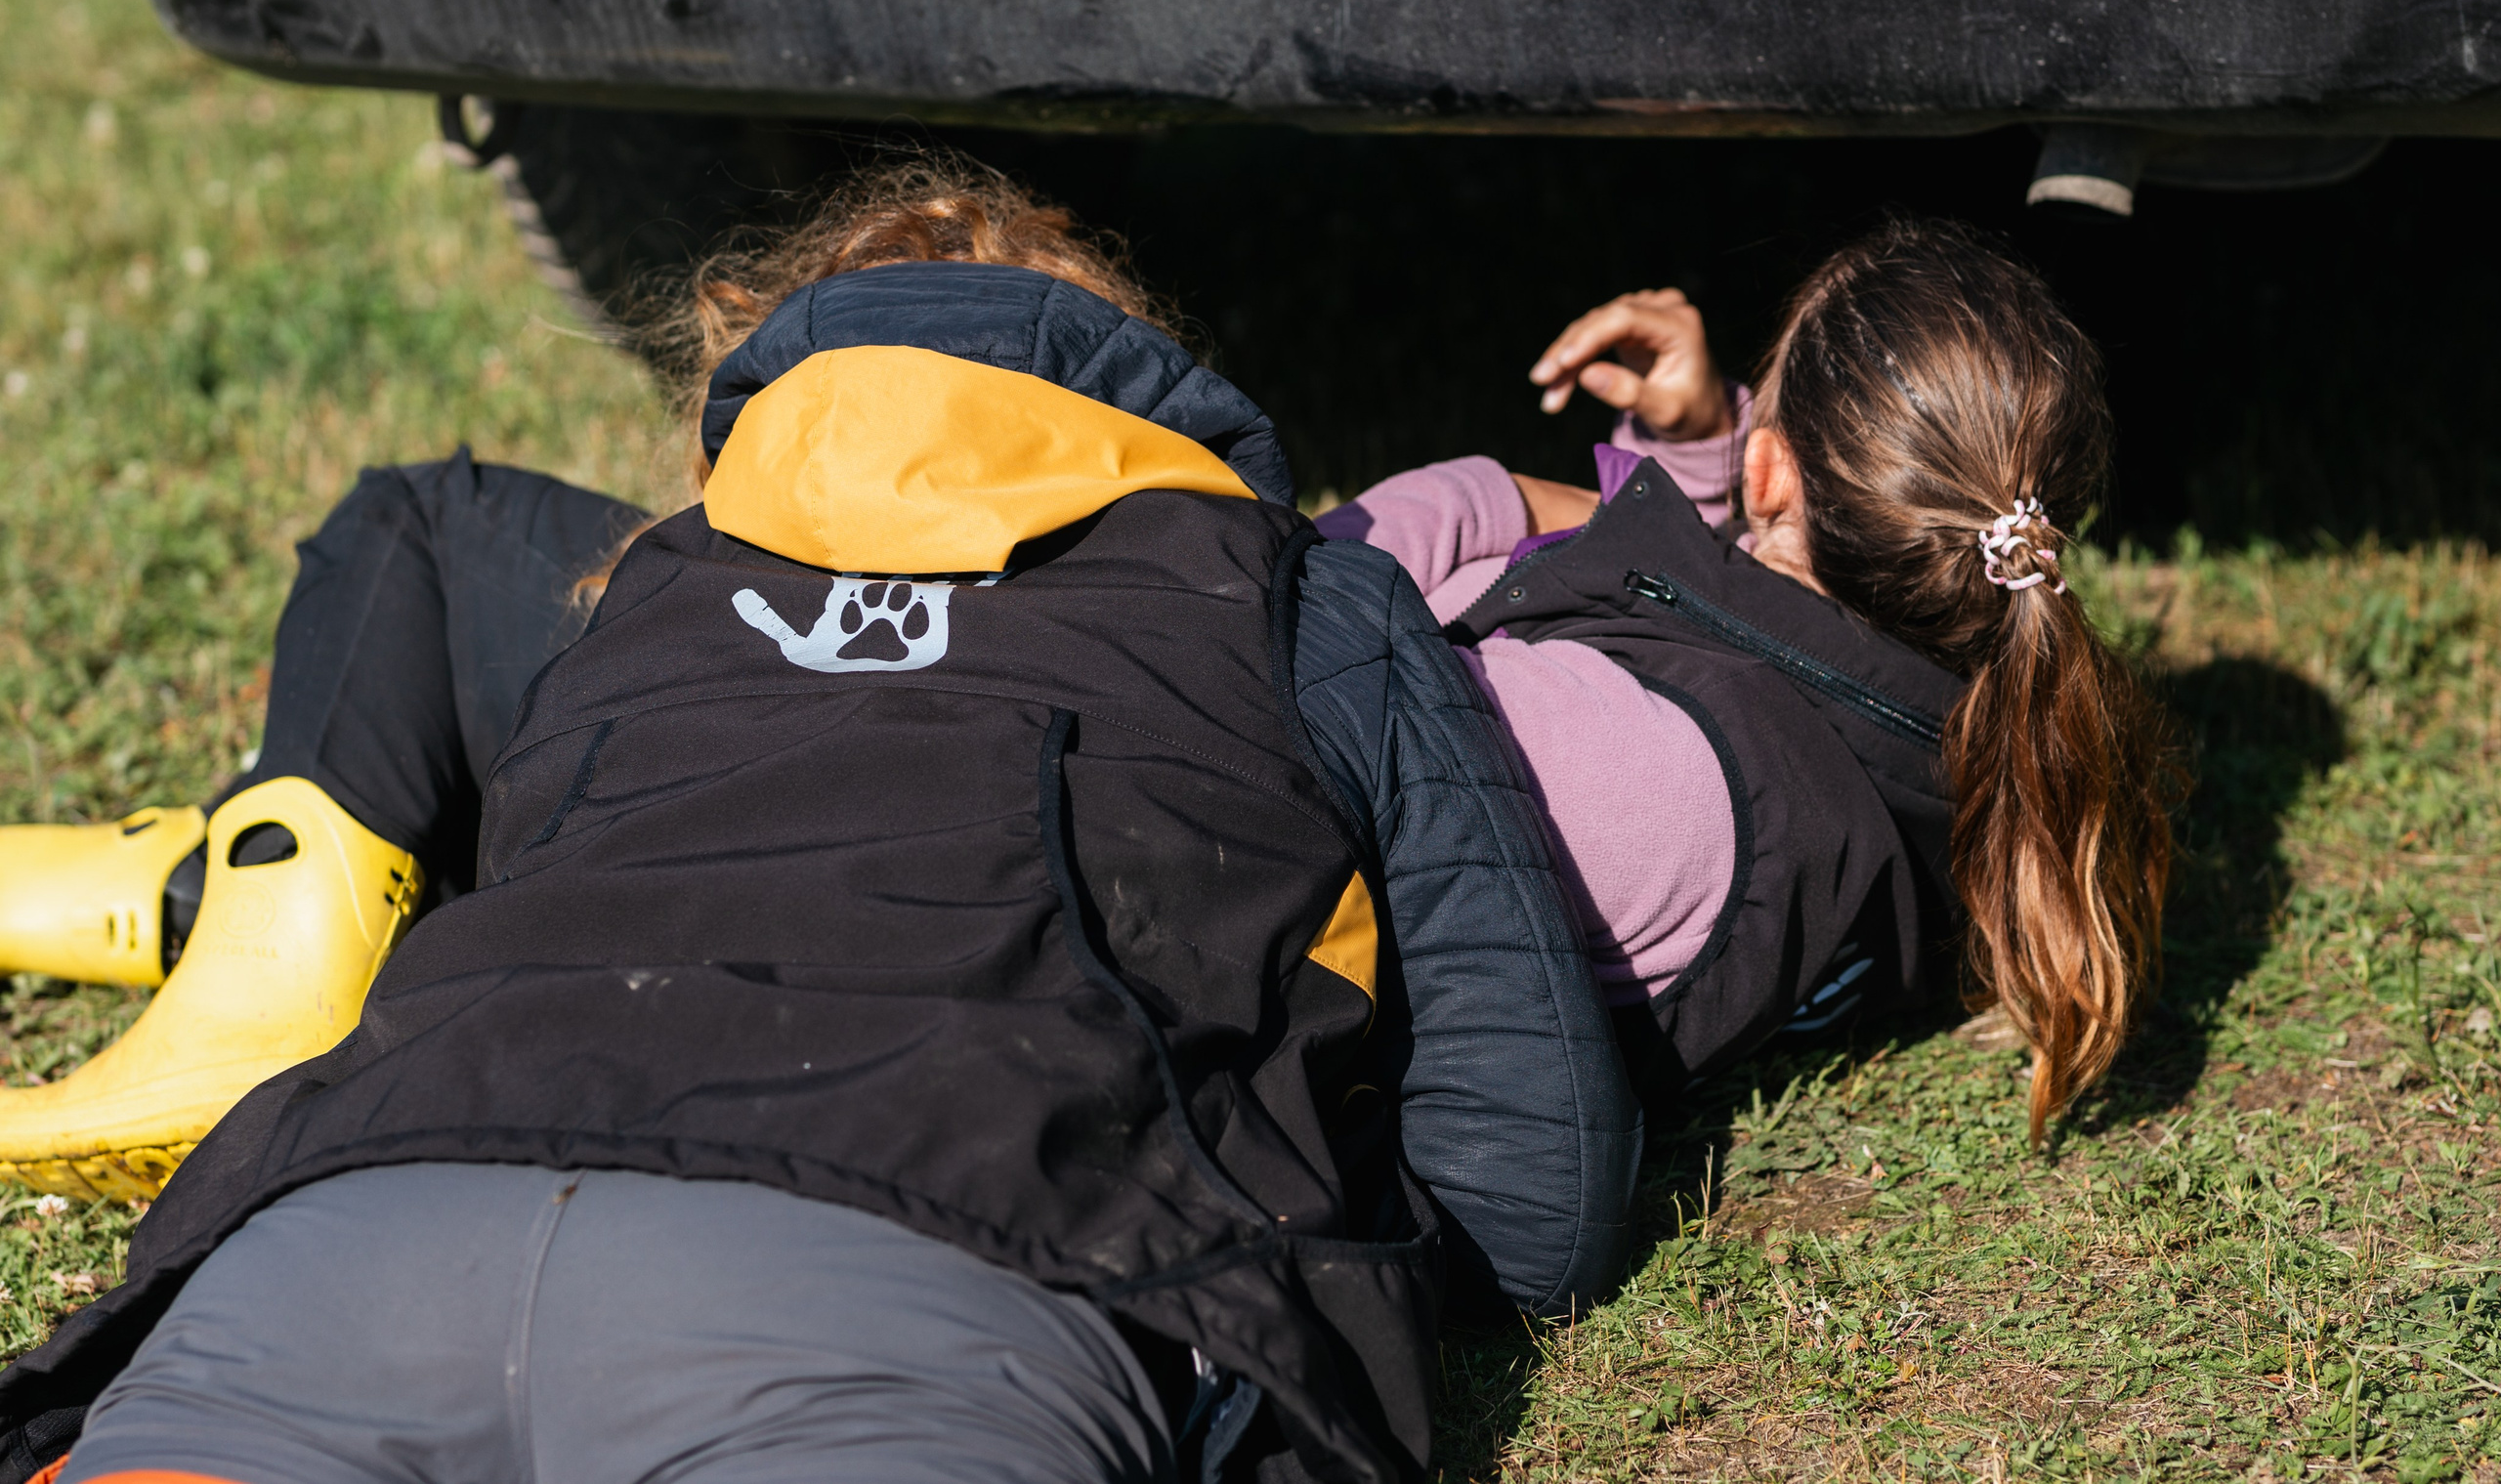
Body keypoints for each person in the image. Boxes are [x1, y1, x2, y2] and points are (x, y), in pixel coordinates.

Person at [0, 166, 1637, 1484]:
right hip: (937, 1261)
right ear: (1140, 392)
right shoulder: (1300, 595)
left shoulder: (650, 584)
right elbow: (1532, 1173)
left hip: (357, 1222)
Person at [1315, 223, 2175, 1142]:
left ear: (1764, 476)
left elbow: (1308, 658)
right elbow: (1746, 626)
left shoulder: (1632, 763)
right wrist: (1693, 454)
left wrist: (1481, 493)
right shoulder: (1978, 765)